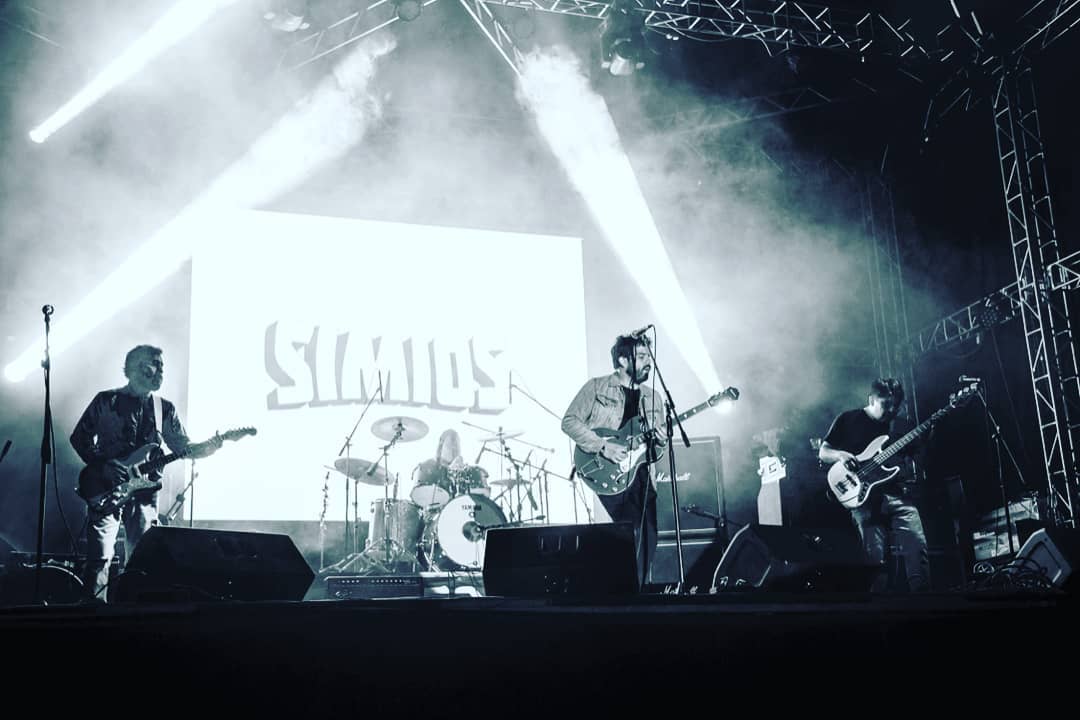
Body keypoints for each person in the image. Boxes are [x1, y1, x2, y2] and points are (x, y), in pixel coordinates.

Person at [70, 345, 219, 601]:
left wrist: (208, 448)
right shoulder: (106, 401)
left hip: (145, 494)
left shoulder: (164, 409)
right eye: (154, 364)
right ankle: (92, 614)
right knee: (98, 559)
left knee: (140, 563)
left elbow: (182, 447)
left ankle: (131, 614)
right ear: (134, 368)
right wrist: (104, 465)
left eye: (162, 366)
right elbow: (79, 438)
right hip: (105, 488)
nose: (161, 370)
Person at [561, 333, 664, 588]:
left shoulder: (653, 397)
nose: (648, 362)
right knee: (631, 532)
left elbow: (654, 450)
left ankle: (636, 592)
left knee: (650, 535)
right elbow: (569, 421)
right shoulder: (597, 387)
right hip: (605, 468)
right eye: (641, 357)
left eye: (649, 356)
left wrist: (661, 440)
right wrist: (603, 446)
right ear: (622, 360)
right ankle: (624, 593)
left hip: (639, 472)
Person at [818, 378, 930, 592]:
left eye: (895, 407)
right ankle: (878, 606)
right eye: (886, 405)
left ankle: (924, 599)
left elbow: (920, 456)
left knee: (918, 547)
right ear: (871, 400)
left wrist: (928, 437)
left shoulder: (901, 426)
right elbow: (824, 452)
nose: (891, 411)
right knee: (875, 562)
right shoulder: (848, 419)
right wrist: (840, 455)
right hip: (863, 500)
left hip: (896, 495)